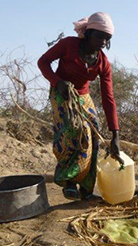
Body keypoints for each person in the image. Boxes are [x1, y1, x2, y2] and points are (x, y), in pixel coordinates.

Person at [38, 12, 123, 201]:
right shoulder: (68, 45)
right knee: (77, 130)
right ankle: (69, 180)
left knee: (94, 133)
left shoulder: (103, 62)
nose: (102, 41)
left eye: (107, 38)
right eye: (99, 36)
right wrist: (57, 81)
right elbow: (43, 62)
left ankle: (86, 189)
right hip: (62, 93)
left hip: (83, 96)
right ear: (88, 33)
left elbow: (108, 97)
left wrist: (115, 134)